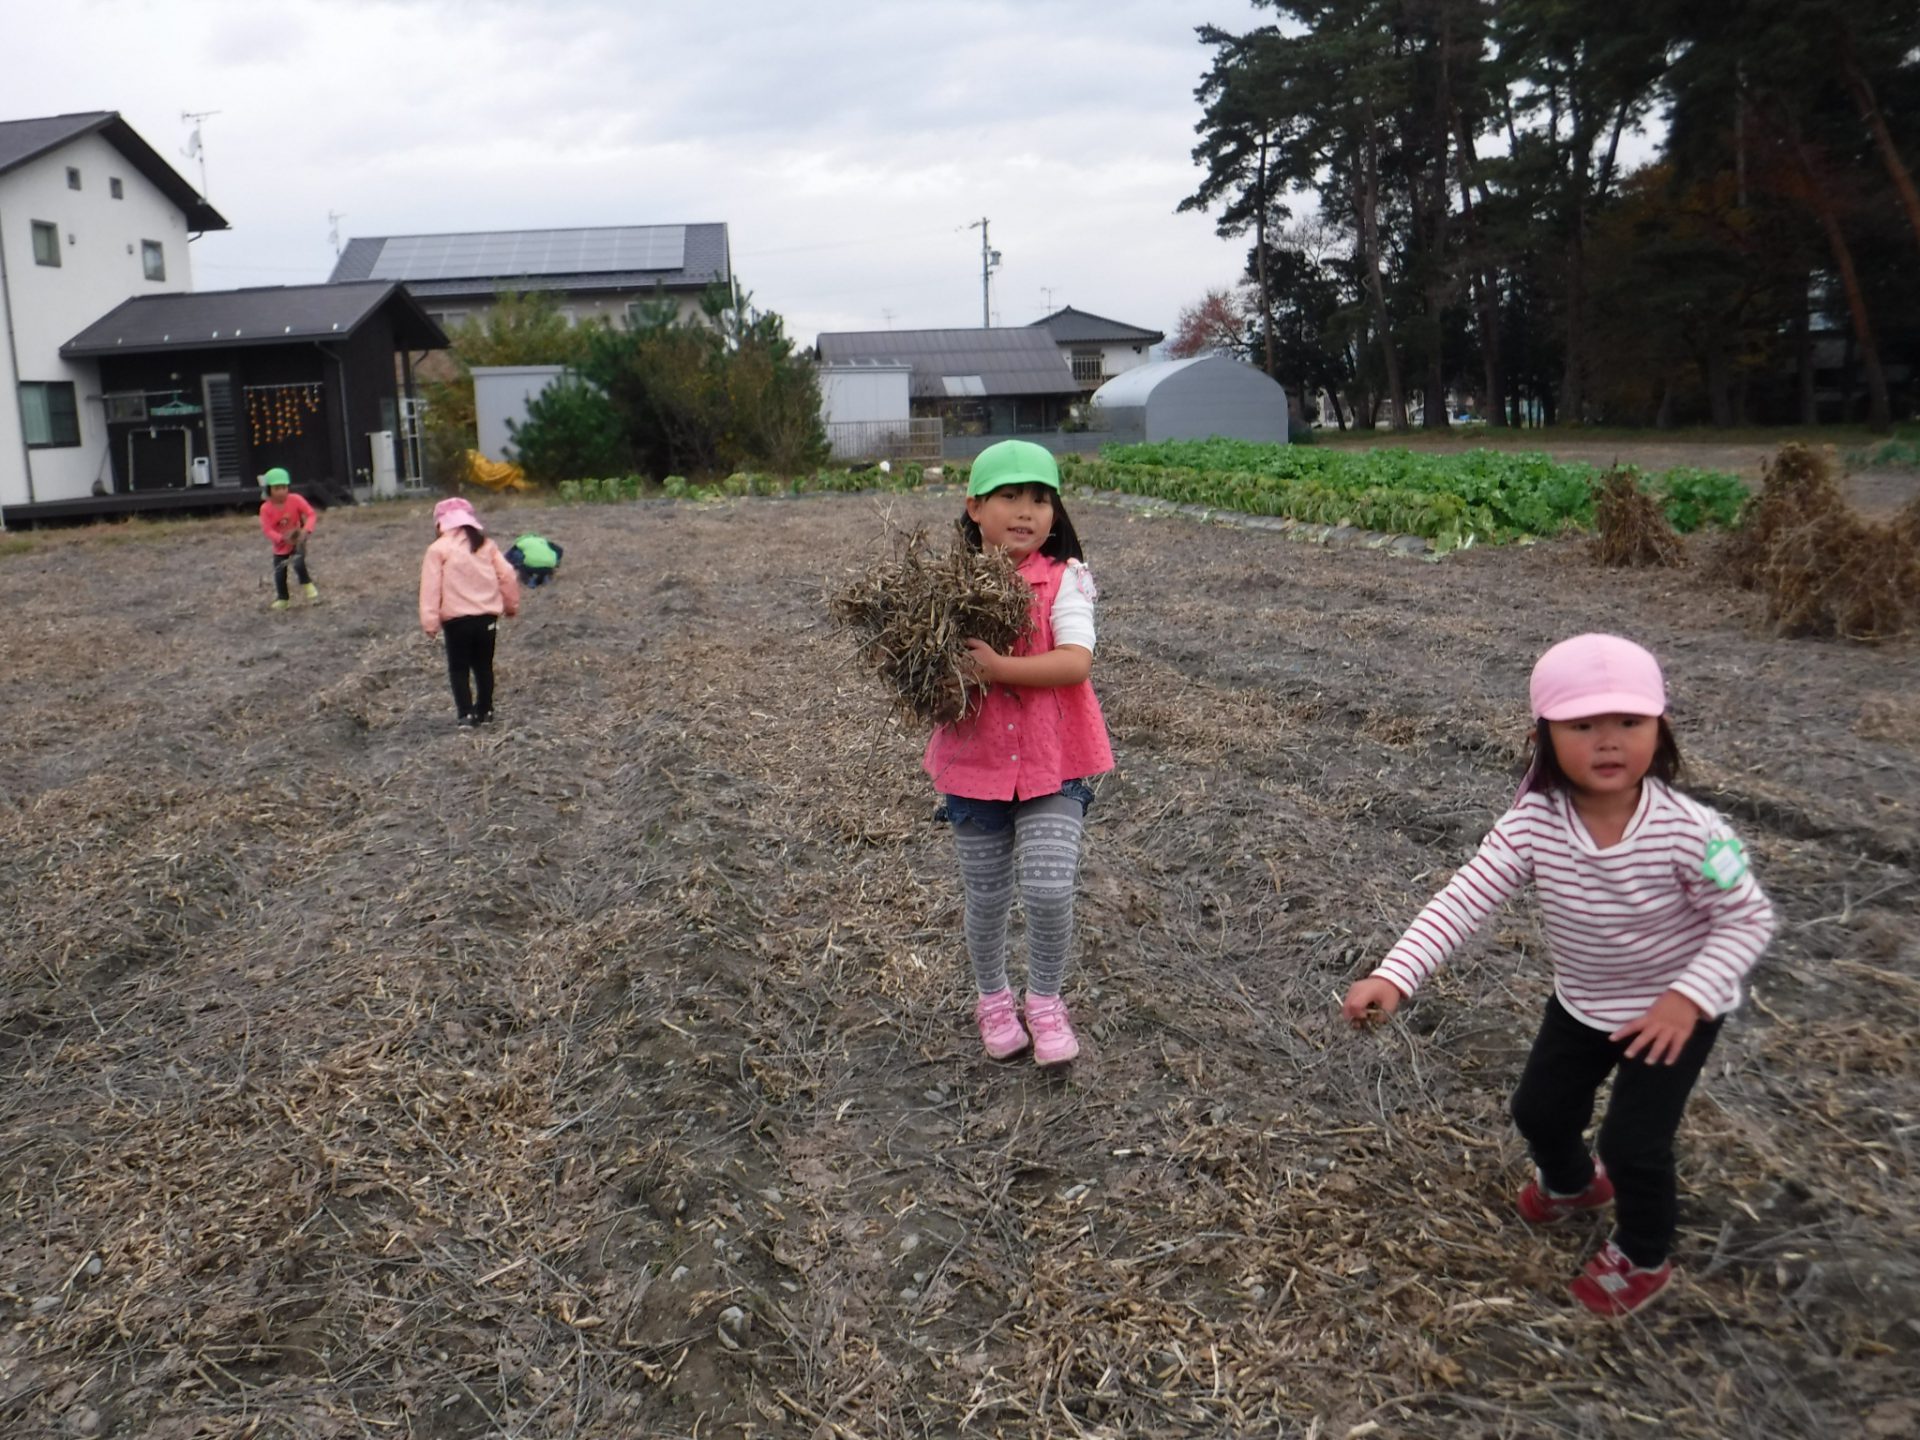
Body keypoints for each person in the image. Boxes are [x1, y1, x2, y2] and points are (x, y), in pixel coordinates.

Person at [1341, 634, 1776, 1317]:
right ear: (1543, 736)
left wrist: (1686, 1000)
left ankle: (1643, 1253)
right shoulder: (1534, 822)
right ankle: (1573, 1185)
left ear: (1660, 729)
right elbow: (1464, 897)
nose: (1608, 741)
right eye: (1582, 725)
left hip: (1674, 1015)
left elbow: (1747, 918)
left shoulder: (1695, 831)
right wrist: (1394, 976)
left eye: (1628, 721)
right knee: (1539, 1112)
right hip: (1584, 1004)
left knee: (1633, 1145)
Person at [925, 440, 1114, 1067]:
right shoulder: (943, 589)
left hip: (1052, 762)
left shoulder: (1066, 579)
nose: (1027, 510)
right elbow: (920, 673)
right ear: (975, 507)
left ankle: (1047, 1001)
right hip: (974, 765)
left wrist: (997, 667)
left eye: (1040, 498)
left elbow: (1075, 662)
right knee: (986, 897)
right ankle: (993, 1000)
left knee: (1049, 890)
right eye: (1009, 496)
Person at [418, 496, 520, 728]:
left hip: (457, 621)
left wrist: (430, 622)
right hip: (487, 617)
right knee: (484, 666)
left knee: (459, 668)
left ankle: (466, 714)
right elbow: (507, 575)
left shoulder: (438, 549)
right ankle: (486, 710)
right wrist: (511, 606)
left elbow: (431, 587)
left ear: (441, 524)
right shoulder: (486, 546)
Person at [258, 468, 318, 610]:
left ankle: (307, 584)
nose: (281, 492)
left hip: (298, 540)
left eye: (284, 487)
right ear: (269, 489)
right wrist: (281, 538)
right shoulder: (266, 508)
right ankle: (283, 599)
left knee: (298, 563)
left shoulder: (295, 500)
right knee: (279, 573)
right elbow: (267, 529)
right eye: (277, 488)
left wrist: (306, 530)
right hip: (280, 545)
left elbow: (311, 514)